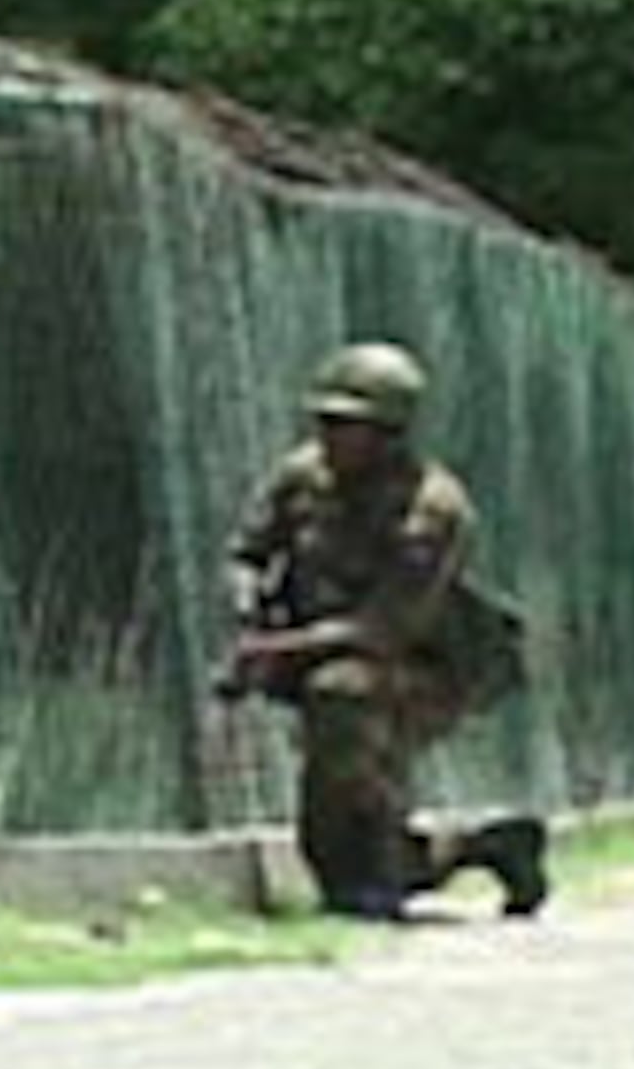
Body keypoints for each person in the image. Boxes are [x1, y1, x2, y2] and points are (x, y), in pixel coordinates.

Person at [220, 342, 549, 923]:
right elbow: (247, 553)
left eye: (345, 426)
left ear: (389, 433)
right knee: (347, 831)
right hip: (322, 656)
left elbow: (384, 628)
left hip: (426, 669)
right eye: (323, 421)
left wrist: (272, 651)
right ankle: (484, 847)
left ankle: (369, 878)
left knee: (341, 701)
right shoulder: (303, 477)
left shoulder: (432, 509)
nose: (327, 436)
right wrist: (249, 612)